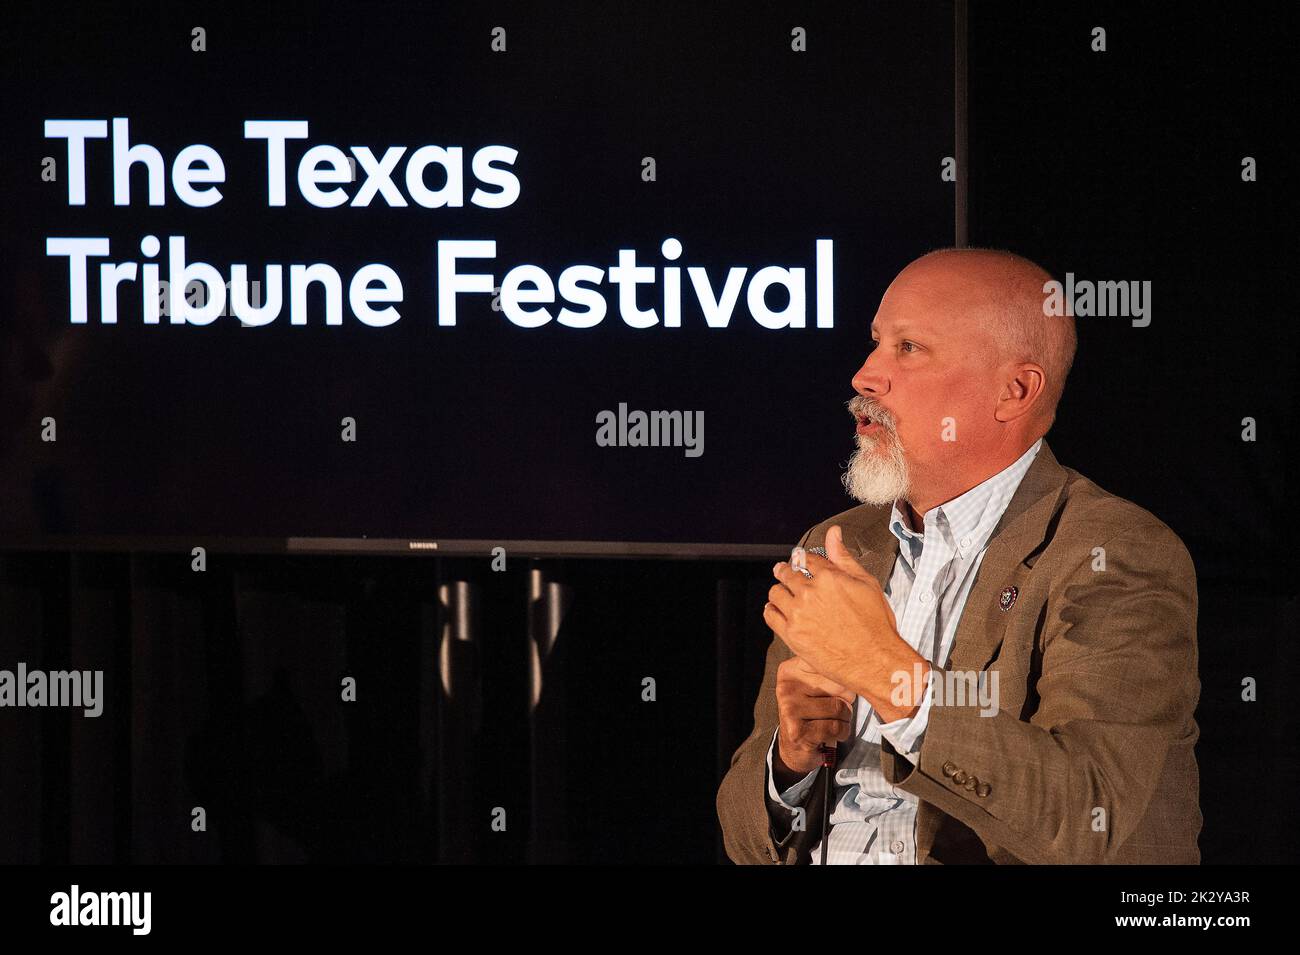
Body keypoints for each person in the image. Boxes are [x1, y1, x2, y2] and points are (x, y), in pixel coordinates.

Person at [716, 248, 1201, 864]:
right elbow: (744, 840)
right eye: (875, 343)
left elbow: (1088, 816)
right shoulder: (841, 544)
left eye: (908, 349)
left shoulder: (1111, 551)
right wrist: (789, 763)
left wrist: (890, 677)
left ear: (1014, 390)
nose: (865, 376)